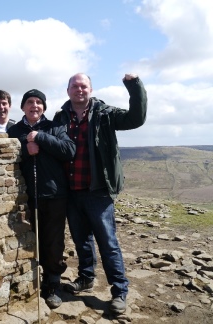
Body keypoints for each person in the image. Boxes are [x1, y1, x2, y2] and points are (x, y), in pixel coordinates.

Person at [53, 73, 147, 314]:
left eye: (83, 86)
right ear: (68, 91)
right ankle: (86, 277)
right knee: (81, 240)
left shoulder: (105, 113)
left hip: (98, 191)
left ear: (90, 90)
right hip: (72, 192)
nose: (79, 90)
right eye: (74, 86)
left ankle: (119, 291)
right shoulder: (61, 117)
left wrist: (134, 86)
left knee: (108, 243)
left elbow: (136, 119)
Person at [8, 89, 76, 309]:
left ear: (44, 108)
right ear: (23, 107)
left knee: (53, 241)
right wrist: (26, 149)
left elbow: (68, 150)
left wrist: (41, 137)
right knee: (29, 239)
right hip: (25, 196)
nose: (34, 105)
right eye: (30, 102)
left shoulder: (53, 127)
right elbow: (7, 155)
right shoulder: (15, 131)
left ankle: (52, 284)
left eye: (39, 102)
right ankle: (29, 278)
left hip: (54, 194)